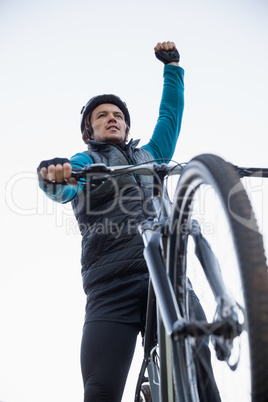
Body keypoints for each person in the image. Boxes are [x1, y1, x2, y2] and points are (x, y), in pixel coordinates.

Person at [37, 41, 220, 402]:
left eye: (117, 114)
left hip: (166, 276)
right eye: (102, 115)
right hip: (110, 288)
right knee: (101, 389)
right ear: (90, 131)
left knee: (201, 371)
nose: (112, 118)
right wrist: (53, 177)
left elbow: (170, 115)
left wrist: (173, 68)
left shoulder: (151, 156)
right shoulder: (86, 161)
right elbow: (64, 188)